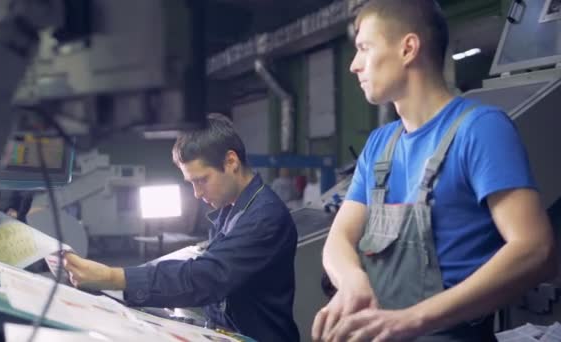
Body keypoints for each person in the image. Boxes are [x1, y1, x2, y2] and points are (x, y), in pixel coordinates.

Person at [311, 0, 557, 341]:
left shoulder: (480, 130)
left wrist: (413, 319)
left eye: (364, 48)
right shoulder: (380, 144)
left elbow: (535, 248)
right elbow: (338, 239)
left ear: (408, 48)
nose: (354, 65)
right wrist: (352, 280)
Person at [64, 113, 300, 342]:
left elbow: (206, 278)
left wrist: (112, 277)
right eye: (191, 183)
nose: (197, 193)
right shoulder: (232, 209)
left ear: (231, 162)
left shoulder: (264, 217)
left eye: (202, 180)